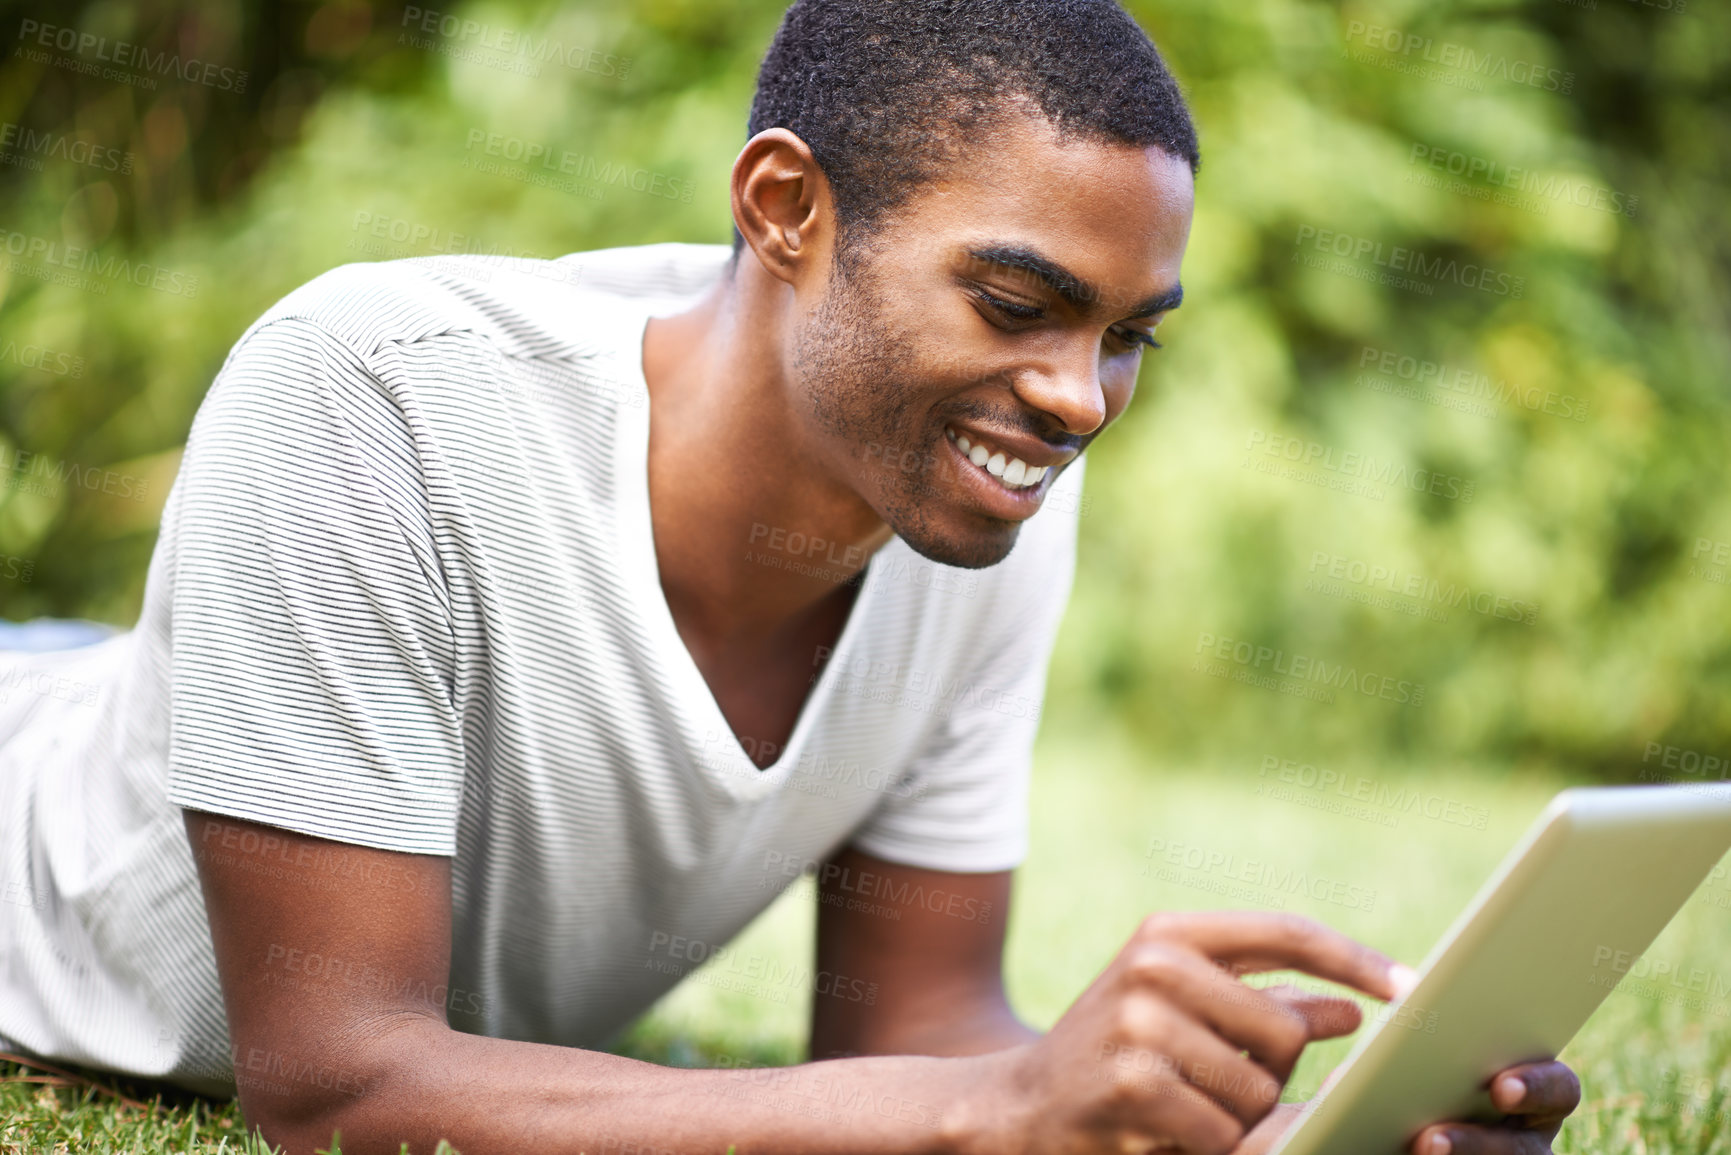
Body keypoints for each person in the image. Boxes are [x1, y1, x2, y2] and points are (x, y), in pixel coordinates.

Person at [0, 1, 1581, 1152]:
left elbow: (917, 1039)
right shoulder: (377, 393)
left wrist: (1269, 1133)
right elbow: (338, 1084)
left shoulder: (981, 489)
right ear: (786, 207)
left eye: (1125, 336)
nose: (1079, 396)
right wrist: (991, 1112)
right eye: (1019, 300)